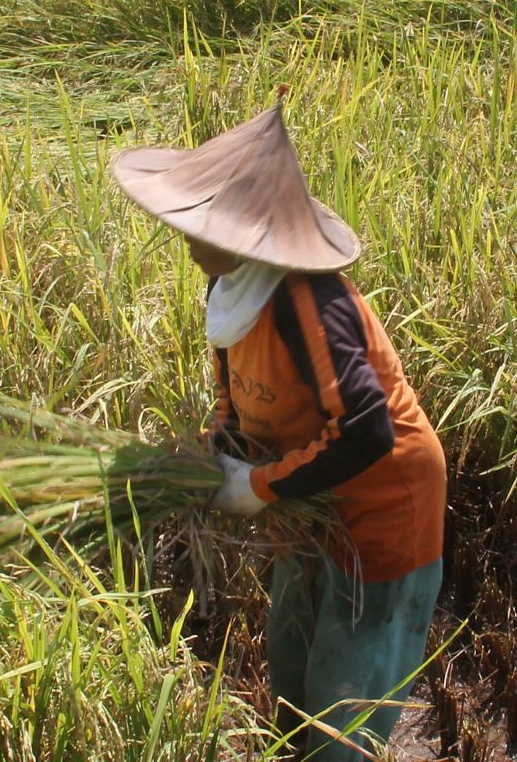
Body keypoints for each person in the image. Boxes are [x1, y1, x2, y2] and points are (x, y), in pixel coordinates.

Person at [108, 101, 447, 760]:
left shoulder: (310, 302)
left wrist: (258, 486)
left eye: (198, 225)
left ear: (245, 236)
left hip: (383, 505)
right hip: (304, 497)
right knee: (292, 660)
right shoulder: (229, 294)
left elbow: (367, 431)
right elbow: (232, 403)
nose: (185, 237)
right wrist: (214, 456)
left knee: (345, 694)